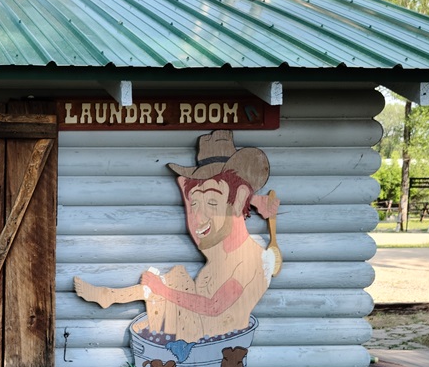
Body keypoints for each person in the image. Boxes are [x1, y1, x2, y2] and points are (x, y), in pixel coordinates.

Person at [74, 129, 279, 345]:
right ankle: (110, 296)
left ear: (238, 198)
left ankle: (111, 296)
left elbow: (214, 307)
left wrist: (162, 290)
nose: (199, 217)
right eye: (195, 204)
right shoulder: (223, 250)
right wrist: (251, 200)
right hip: (198, 330)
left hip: (212, 342)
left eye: (211, 202)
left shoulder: (248, 260)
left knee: (176, 279)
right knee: (176, 278)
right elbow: (193, 189)